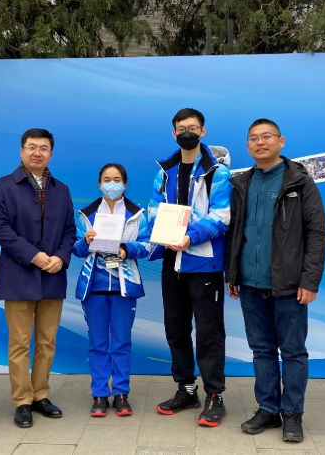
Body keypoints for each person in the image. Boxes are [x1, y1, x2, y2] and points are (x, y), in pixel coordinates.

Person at [225, 118, 325, 442]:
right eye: (253, 138)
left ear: (280, 141)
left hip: (290, 285)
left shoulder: (300, 182)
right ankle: (267, 409)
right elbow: (234, 232)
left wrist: (309, 280)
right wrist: (232, 273)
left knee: (293, 351)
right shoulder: (241, 184)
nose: (260, 142)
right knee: (262, 350)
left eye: (266, 136)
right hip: (250, 284)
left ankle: (292, 414)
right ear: (247, 146)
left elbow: (317, 233)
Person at [148, 108, 232, 427]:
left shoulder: (217, 173)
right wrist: (162, 234)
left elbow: (222, 216)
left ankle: (214, 395)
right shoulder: (164, 172)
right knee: (176, 328)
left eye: (193, 127)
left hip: (204, 262)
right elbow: (153, 211)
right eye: (181, 128)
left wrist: (189, 236)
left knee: (209, 332)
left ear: (203, 131)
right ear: (174, 133)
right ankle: (186, 389)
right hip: (172, 261)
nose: (187, 132)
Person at [0, 128, 76, 429]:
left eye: (43, 148)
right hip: (18, 275)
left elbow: (69, 231)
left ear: (51, 153)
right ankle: (22, 401)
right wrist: (34, 256)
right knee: (20, 344)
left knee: (47, 342)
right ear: (21, 151)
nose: (37, 153)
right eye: (31, 147)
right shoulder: (2, 187)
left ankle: (41, 395)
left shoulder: (62, 190)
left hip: (53, 274)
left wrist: (60, 258)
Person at [73, 163, 150, 417]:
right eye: (107, 179)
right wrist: (85, 242)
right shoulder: (86, 214)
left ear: (125, 184)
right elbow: (75, 248)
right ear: (99, 184)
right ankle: (99, 394)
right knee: (98, 343)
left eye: (117, 179)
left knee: (121, 342)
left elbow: (150, 246)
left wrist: (127, 249)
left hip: (124, 287)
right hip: (93, 286)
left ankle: (121, 393)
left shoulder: (137, 214)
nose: (112, 184)